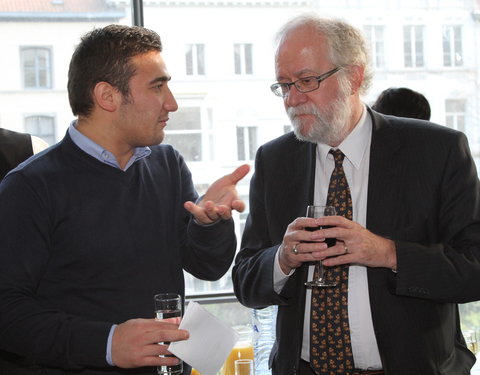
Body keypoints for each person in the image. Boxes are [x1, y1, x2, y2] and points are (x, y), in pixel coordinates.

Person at [232, 14, 480, 375]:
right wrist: (282, 259)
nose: (292, 98)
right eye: (283, 85)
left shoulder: (436, 150)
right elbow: (246, 282)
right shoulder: (275, 160)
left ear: (354, 76)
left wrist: (388, 253)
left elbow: (474, 267)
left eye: (306, 80)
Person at [0, 24, 249, 375]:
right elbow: (8, 313)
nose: (172, 103)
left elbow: (208, 267)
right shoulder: (29, 186)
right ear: (108, 96)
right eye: (158, 86)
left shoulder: (167, 164)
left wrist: (209, 223)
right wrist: (107, 343)